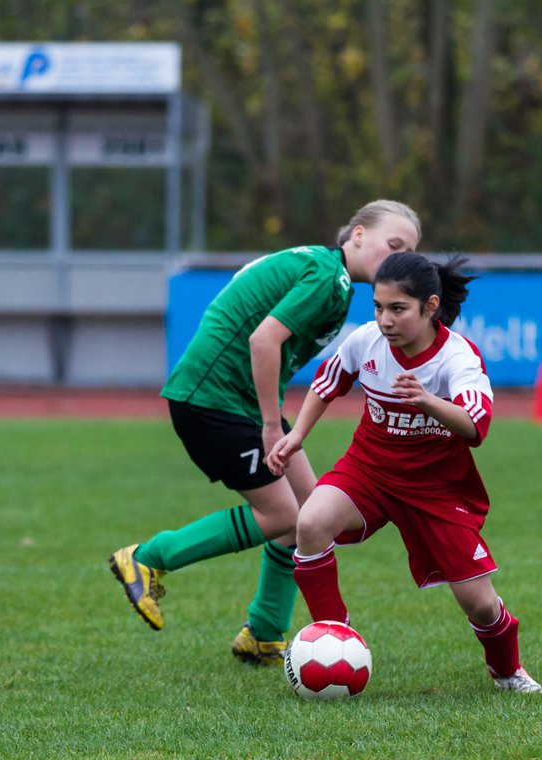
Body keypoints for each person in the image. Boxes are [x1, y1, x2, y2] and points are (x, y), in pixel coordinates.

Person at [108, 200, 422, 665]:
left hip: (238, 403)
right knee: (281, 516)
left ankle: (264, 632)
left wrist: (273, 418)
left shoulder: (325, 272)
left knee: (313, 512)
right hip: (213, 401)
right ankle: (149, 556)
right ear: (357, 234)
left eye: (407, 253)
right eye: (392, 245)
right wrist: (272, 426)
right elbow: (263, 340)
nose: (397, 260)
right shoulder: (326, 278)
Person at [265, 252, 542, 693]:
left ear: (430, 307)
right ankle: (335, 635)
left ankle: (508, 672)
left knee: (480, 604)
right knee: (311, 522)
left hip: (437, 488)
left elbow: (476, 427)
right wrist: (297, 435)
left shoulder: (458, 357)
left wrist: (429, 401)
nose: (385, 320)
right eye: (378, 307)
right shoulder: (365, 342)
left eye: (398, 309)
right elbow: (326, 384)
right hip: (369, 470)